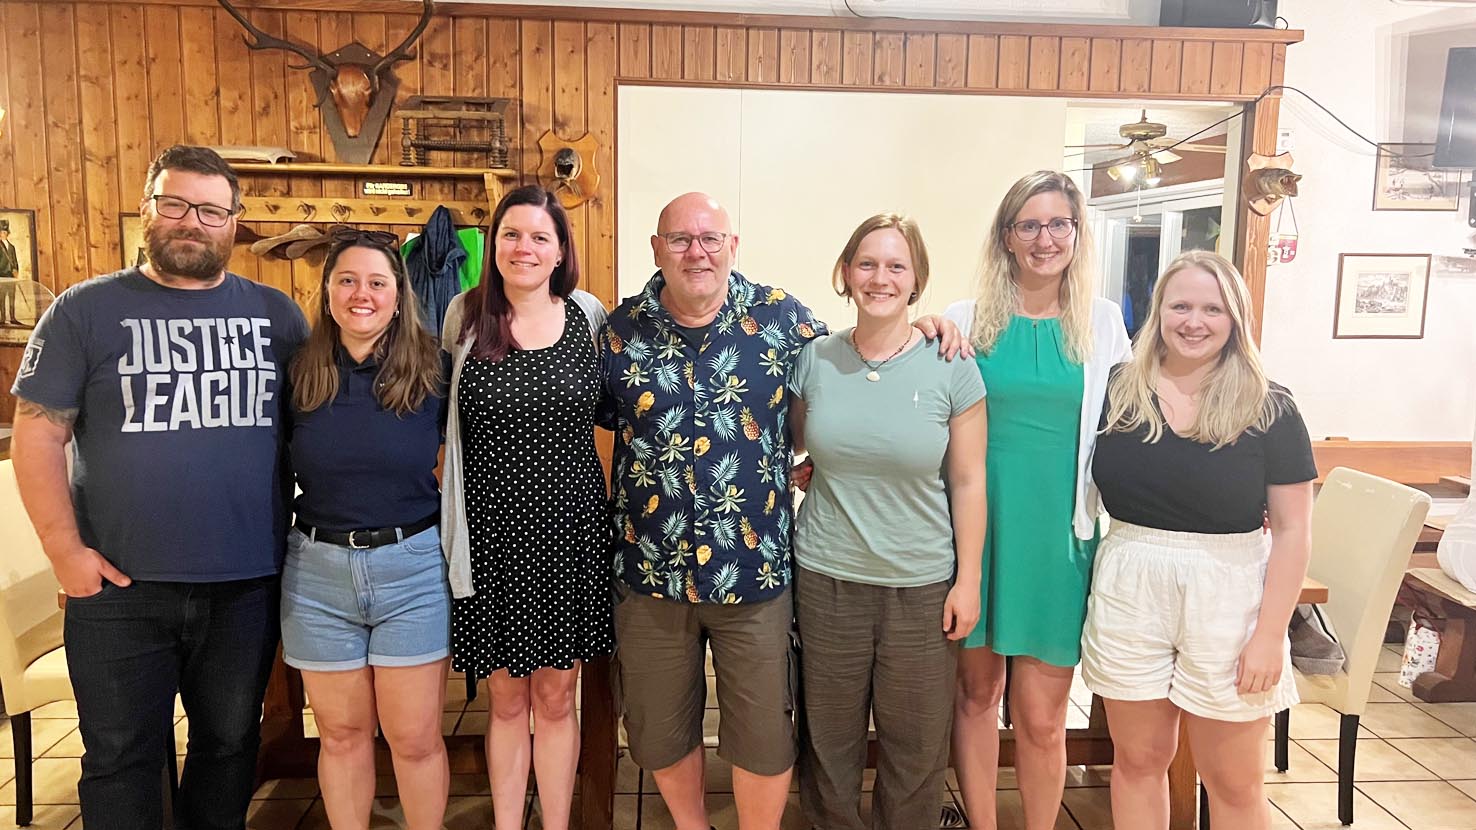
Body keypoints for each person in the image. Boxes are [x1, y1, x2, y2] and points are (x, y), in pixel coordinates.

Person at [600, 192, 967, 830]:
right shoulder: (619, 331)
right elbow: (603, 442)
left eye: (711, 238)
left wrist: (929, 322)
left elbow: (859, 370)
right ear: (655, 249)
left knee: (765, 733)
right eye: (680, 239)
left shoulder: (782, 322)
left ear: (733, 246)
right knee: (657, 728)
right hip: (651, 572)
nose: (697, 251)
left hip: (757, 573)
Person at [10, 145, 308, 830]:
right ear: (147, 211)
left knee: (229, 745)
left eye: (210, 210)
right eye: (174, 205)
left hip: (246, 585)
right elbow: (38, 433)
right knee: (120, 757)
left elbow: (311, 432)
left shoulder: (278, 316)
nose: (191, 223)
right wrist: (65, 553)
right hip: (119, 587)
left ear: (235, 221)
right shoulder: (85, 312)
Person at [1083, 250, 1314, 830]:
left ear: (1235, 318)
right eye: (1180, 305)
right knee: (1138, 761)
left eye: (1212, 309)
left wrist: (1268, 637)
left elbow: (1293, 532)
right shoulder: (1115, 390)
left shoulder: (1270, 405)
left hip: (1230, 589)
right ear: (1158, 311)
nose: (1194, 321)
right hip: (1130, 576)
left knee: (1232, 780)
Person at [943, 170, 1131, 830]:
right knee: (975, 696)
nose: (1045, 238)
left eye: (1059, 224)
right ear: (1007, 237)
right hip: (977, 536)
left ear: (1078, 235)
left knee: (1042, 715)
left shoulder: (1104, 326)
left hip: (1059, 537)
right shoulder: (965, 321)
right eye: (1030, 224)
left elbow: (1134, 424)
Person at [788, 214, 987, 830]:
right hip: (826, 578)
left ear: (917, 279)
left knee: (916, 749)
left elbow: (969, 480)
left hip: (922, 586)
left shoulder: (950, 363)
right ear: (845, 275)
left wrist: (968, 580)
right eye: (867, 264)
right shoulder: (814, 360)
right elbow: (792, 446)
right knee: (828, 744)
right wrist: (812, 467)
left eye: (896, 265)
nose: (880, 277)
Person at [440, 185, 614, 830]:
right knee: (506, 699)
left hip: (570, 537)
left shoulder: (588, 318)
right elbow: (436, 421)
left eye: (541, 236)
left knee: (557, 695)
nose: (525, 247)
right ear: (494, 243)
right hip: (489, 540)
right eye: (512, 234)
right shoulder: (464, 316)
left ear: (561, 249)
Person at [282, 229, 451, 830]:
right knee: (343, 735)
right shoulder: (297, 371)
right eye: (347, 280)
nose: (362, 294)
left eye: (378, 282)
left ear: (399, 295)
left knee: (413, 737)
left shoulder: (435, 368)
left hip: (410, 569)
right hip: (317, 575)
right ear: (327, 291)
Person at [0, 220, 21, 324]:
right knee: (2, 298)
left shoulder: (11, 247)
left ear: (7, 233)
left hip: (11, 276)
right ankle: (2, 319)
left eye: (4, 232)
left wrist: (16, 270)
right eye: (0, 232)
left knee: (12, 297)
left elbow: (15, 260)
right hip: (2, 275)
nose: (2, 234)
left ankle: (12, 317)